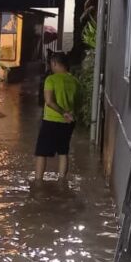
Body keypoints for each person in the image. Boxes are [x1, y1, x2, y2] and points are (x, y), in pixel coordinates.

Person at [34, 52, 79, 185]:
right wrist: (69, 114)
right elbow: (78, 103)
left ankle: (38, 182)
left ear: (54, 63)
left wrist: (62, 112)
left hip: (51, 120)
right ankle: (61, 182)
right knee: (63, 151)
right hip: (69, 122)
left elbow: (49, 101)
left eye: (51, 64)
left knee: (42, 152)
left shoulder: (51, 79)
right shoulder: (75, 81)